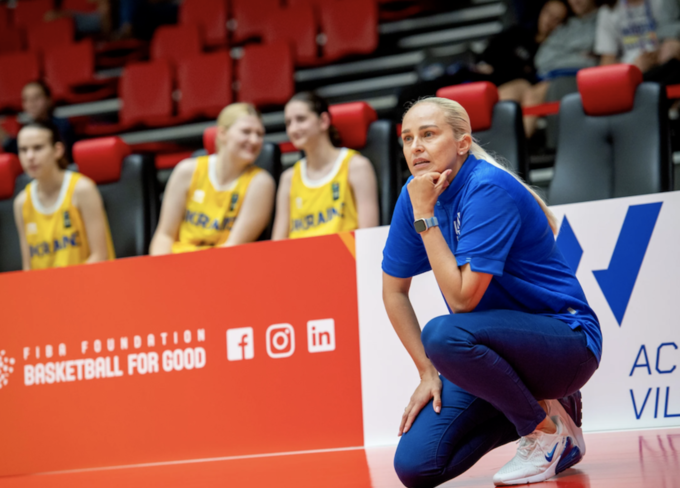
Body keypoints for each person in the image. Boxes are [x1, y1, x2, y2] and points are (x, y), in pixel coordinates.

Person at [382, 97, 602, 487]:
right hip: (491, 352)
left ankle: (544, 435)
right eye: (407, 138)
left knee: (442, 334)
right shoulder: (414, 195)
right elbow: (393, 291)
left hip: (565, 343)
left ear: (462, 143)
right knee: (416, 467)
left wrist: (426, 216)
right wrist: (427, 372)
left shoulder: (486, 187)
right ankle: (551, 414)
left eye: (428, 134)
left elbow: (463, 298)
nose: (415, 147)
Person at [150, 103, 275, 255]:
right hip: (178, 260)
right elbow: (164, 235)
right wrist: (162, 267)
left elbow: (233, 247)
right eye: (246, 132)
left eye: (260, 134)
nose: (254, 140)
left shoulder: (260, 183)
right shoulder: (187, 171)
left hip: (223, 264)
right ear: (222, 133)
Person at [272, 92, 379, 240]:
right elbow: (277, 244)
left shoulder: (356, 166)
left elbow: (369, 237)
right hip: (298, 254)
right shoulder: (288, 178)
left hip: (344, 253)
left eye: (301, 119)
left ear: (323, 120)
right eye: (288, 123)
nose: (293, 129)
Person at [13, 121, 115, 271]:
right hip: (45, 285)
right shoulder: (21, 203)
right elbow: (28, 268)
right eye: (23, 150)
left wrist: (66, 284)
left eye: (38, 148)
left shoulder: (82, 189)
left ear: (57, 150)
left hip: (89, 281)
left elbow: (100, 256)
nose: (30, 156)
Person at [524, 0, 600, 137]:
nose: (575, 1)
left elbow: (594, 61)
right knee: (508, 93)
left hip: (581, 79)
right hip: (550, 77)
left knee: (534, 94)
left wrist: (563, 56)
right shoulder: (566, 25)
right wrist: (578, 56)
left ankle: (517, 147)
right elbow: (542, 60)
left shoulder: (602, 18)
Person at [476, 0, 569, 102]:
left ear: (562, 24)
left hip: (516, 91)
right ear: (541, 11)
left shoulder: (553, 52)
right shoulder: (517, 33)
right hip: (489, 80)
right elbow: (490, 51)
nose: (549, 20)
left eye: (556, 19)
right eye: (548, 12)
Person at [596, 0, 680, 85]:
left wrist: (663, 51)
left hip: (664, 63)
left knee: (672, 49)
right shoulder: (609, 10)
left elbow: (672, 32)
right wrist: (632, 67)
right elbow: (607, 65)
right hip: (631, 73)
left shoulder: (662, 2)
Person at [1, 81, 76, 162]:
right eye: (26, 99)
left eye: (36, 98)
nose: (31, 103)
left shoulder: (62, 126)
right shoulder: (26, 129)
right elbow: (17, 152)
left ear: (48, 100)